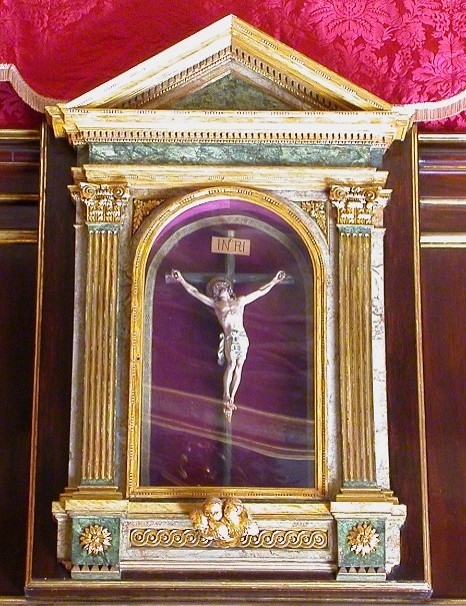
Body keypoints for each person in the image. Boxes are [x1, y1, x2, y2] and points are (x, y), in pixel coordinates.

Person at [171, 269, 286, 421]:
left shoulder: (240, 301)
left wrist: (274, 281)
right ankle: (226, 395)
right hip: (230, 337)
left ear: (229, 289)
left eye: (223, 285)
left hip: (242, 336)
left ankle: (232, 397)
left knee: (239, 366)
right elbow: (195, 292)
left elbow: (259, 292)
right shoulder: (217, 305)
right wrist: (181, 280)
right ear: (215, 293)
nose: (221, 287)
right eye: (217, 287)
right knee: (231, 365)